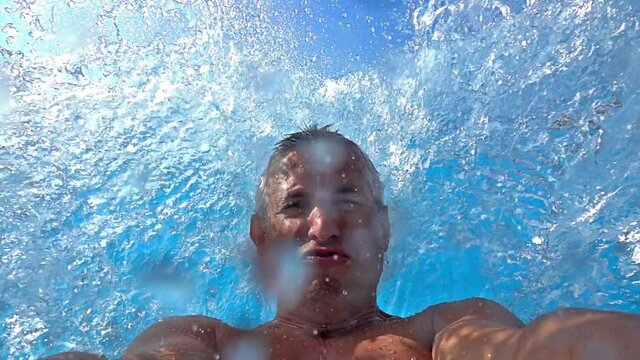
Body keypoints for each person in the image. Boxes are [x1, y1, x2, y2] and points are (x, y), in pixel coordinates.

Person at [47, 125, 639, 360]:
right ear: (260, 238)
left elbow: (525, 350)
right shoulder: (205, 342)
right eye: (296, 205)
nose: (323, 227)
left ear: (384, 229)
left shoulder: (440, 333)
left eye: (348, 204)